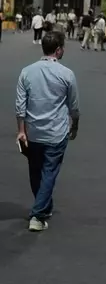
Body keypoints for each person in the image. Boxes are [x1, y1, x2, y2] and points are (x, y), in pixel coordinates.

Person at [15, 31, 80, 232]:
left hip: (33, 131)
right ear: (59, 49)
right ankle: (37, 214)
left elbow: (20, 106)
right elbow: (74, 106)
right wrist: (74, 126)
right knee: (49, 171)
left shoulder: (26, 71)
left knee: (35, 170)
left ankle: (44, 205)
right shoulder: (67, 74)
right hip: (56, 131)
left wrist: (21, 131)